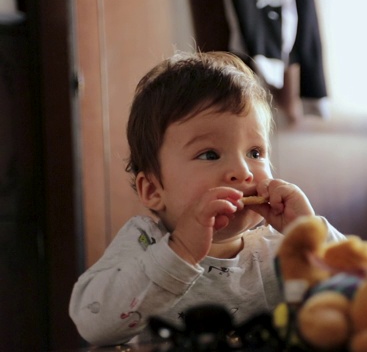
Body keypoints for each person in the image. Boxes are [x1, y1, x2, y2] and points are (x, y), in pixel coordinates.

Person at [68, 51, 345, 346]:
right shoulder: (144, 245)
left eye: (255, 153)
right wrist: (181, 250)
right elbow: (92, 324)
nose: (242, 172)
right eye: (210, 154)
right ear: (153, 190)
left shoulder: (280, 250)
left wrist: (310, 233)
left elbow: (361, 297)